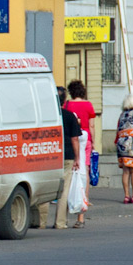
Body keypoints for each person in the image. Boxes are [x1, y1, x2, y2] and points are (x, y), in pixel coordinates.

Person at [50, 85, 84, 229]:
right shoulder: (70, 116)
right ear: (64, 101)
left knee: (47, 185)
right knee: (64, 190)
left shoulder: (48, 116)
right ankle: (60, 222)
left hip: (50, 154)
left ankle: (38, 221)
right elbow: (74, 139)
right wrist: (77, 158)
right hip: (67, 155)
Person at [63, 79, 98, 209]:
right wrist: (93, 141)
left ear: (71, 92)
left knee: (71, 170)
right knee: (85, 169)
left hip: (71, 138)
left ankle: (70, 195)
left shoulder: (66, 105)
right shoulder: (88, 105)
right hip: (85, 138)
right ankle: (85, 198)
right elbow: (92, 125)